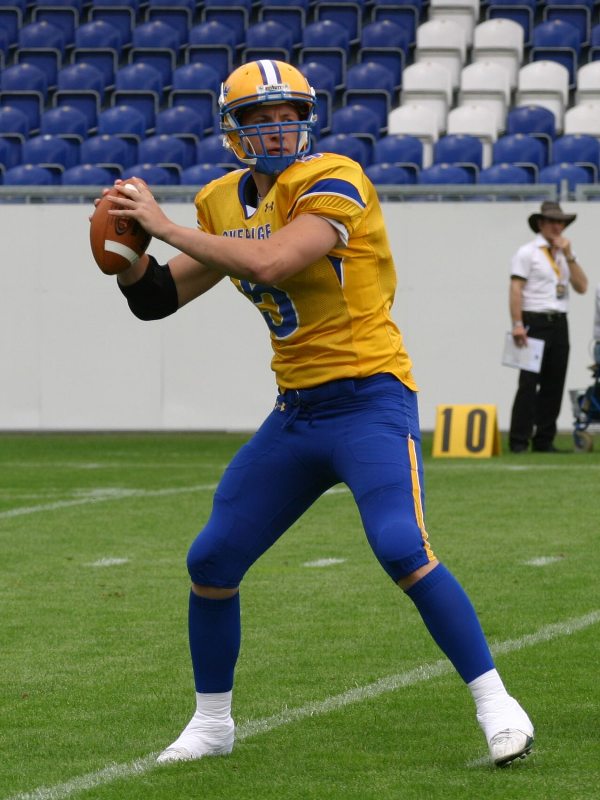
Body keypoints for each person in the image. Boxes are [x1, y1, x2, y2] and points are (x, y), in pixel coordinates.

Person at [98, 60, 533, 767]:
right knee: (212, 558)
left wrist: (164, 225)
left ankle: (497, 704)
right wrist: (126, 256)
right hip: (297, 411)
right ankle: (212, 723)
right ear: (232, 129)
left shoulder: (336, 177)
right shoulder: (220, 201)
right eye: (260, 118)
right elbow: (158, 300)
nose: (277, 129)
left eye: (288, 114)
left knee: (400, 545)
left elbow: (272, 262)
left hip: (369, 399)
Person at [509, 201, 588, 453]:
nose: (557, 227)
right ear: (541, 224)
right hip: (534, 320)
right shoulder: (527, 252)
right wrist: (517, 323)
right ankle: (519, 440)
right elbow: (516, 288)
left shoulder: (565, 255)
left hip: (559, 321)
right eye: (553, 222)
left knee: (554, 383)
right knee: (528, 383)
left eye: (561, 222)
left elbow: (582, 286)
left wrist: (570, 256)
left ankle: (544, 440)